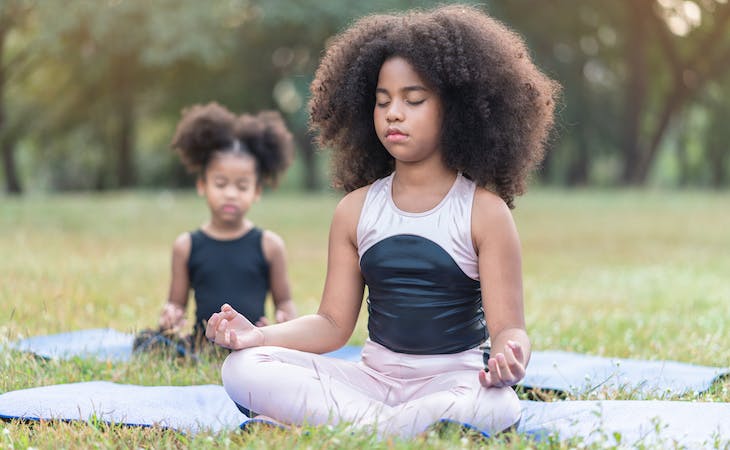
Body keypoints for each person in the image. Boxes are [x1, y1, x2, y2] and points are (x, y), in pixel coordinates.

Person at [206, 5, 559, 438]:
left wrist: (510, 356)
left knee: (497, 404)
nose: (394, 113)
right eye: (382, 101)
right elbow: (333, 325)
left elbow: (509, 329)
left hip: (453, 383)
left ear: (458, 110)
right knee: (243, 368)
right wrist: (258, 338)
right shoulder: (354, 210)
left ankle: (355, 429)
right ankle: (395, 429)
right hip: (370, 383)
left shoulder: (485, 212)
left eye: (413, 100)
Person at [157, 102, 297, 345]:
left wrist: (283, 320)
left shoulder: (270, 245)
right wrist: (170, 315)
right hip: (202, 347)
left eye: (242, 186)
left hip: (252, 345)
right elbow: (177, 304)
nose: (231, 194)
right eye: (221, 184)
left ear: (256, 191)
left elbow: (284, 302)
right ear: (202, 185)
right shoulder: (186, 246)